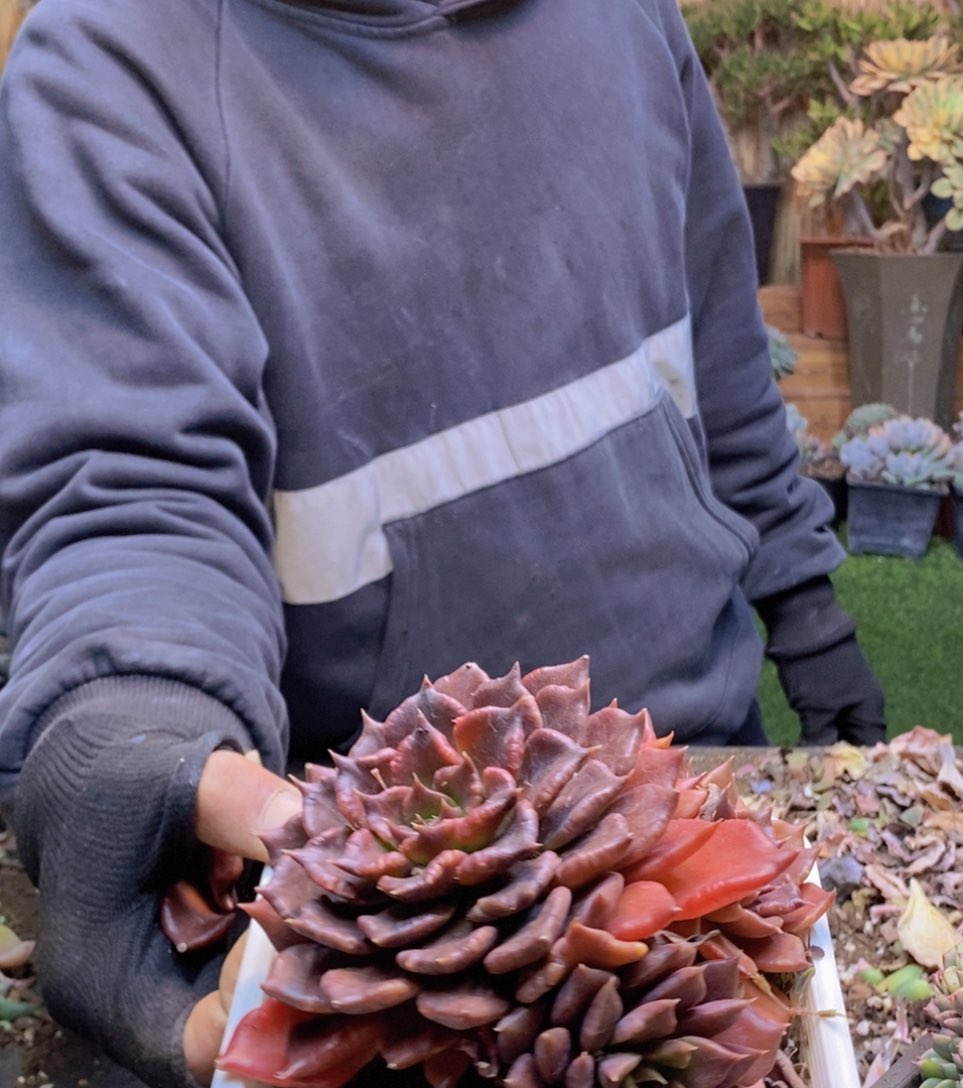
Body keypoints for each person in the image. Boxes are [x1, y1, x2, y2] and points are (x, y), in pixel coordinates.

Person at [0, 0, 885, 1083]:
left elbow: (714, 349)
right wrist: (131, 718)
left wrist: (801, 599)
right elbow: (133, 486)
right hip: (421, 932)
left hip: (693, 793)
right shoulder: (118, 57)